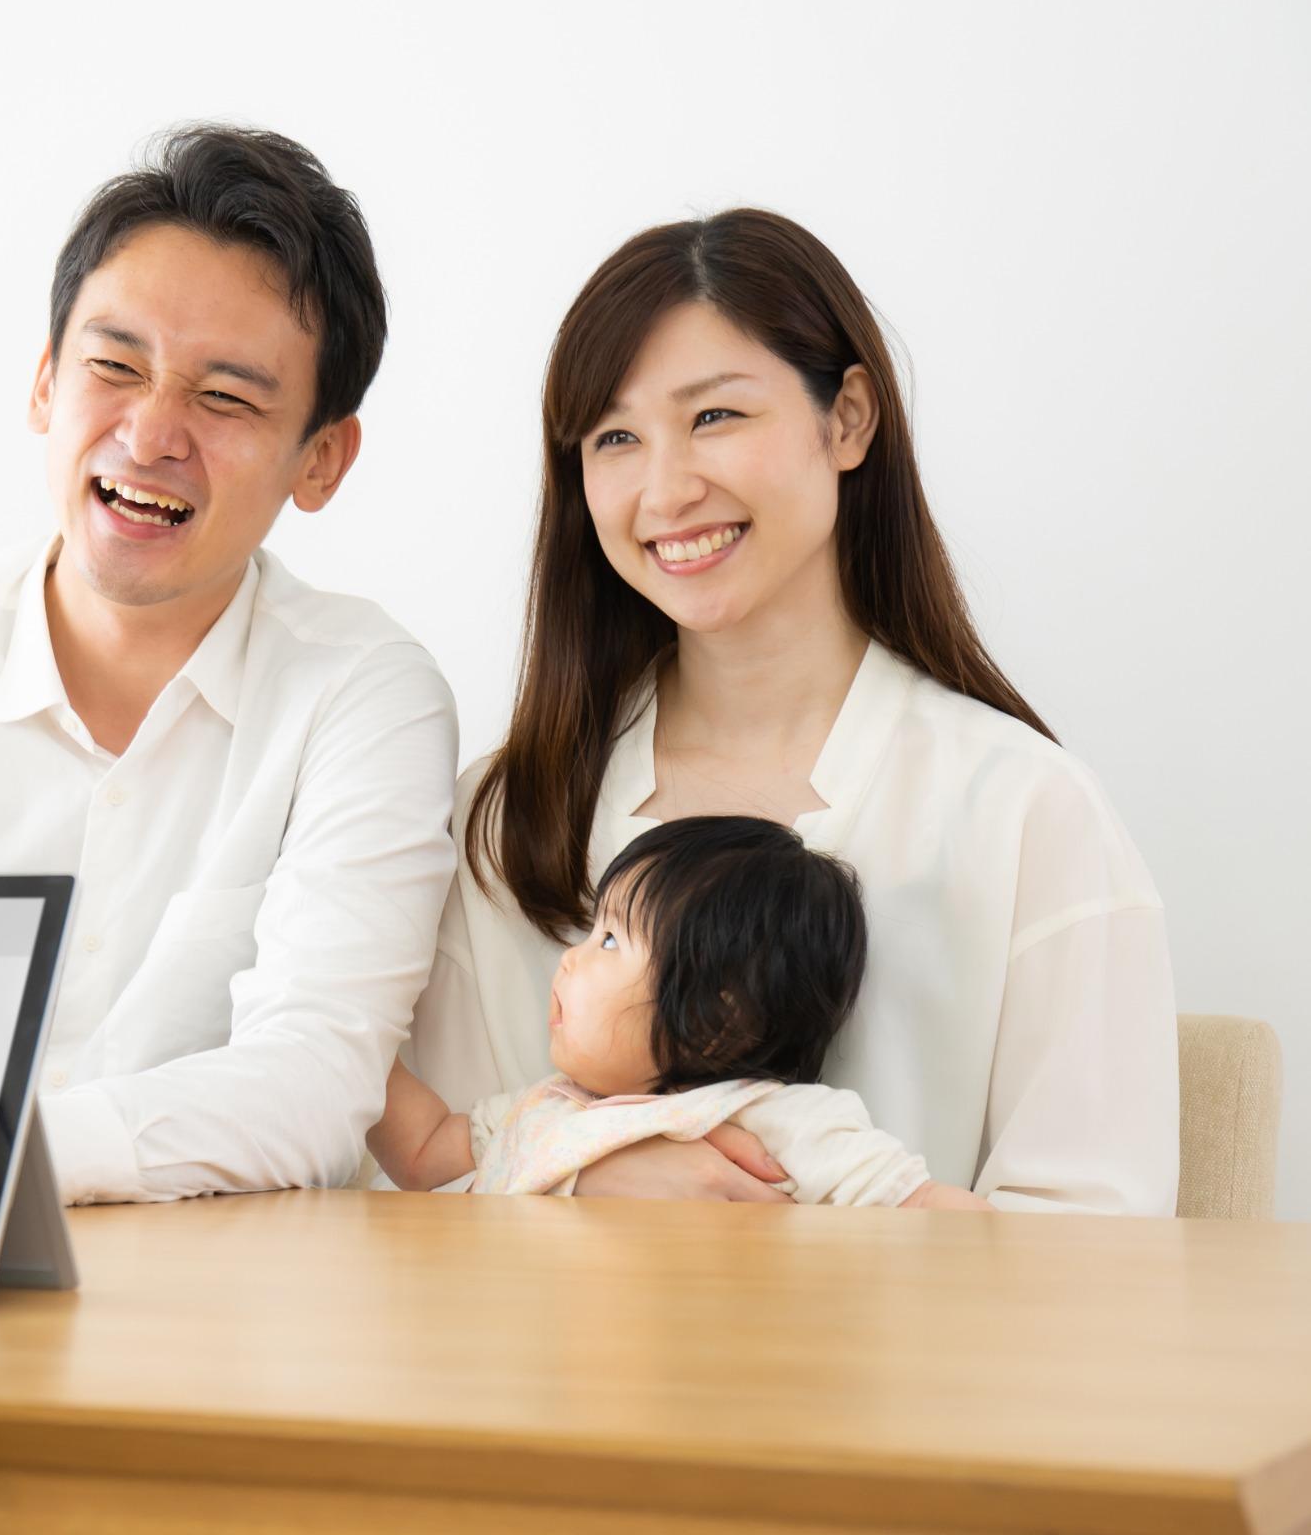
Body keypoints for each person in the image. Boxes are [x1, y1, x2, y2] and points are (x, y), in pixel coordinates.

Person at [0, 126, 460, 1207]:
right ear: (44, 383)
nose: (152, 434)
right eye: (115, 366)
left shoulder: (364, 696)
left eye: (226, 398)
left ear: (322, 460)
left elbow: (314, 1083)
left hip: (228, 1301)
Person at [401, 208, 1177, 1213]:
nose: (666, 490)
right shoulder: (506, 820)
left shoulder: (1027, 811)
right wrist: (587, 1181)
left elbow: (1098, 1250)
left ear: (847, 419)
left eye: (715, 417)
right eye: (616, 437)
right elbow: (414, 1196)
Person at [374, 817, 991, 1209]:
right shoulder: (543, 1110)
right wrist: (357, 1027)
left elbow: (921, 1205)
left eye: (609, 940)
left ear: (715, 1021)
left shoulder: (770, 1119)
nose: (569, 958)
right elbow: (423, 1152)